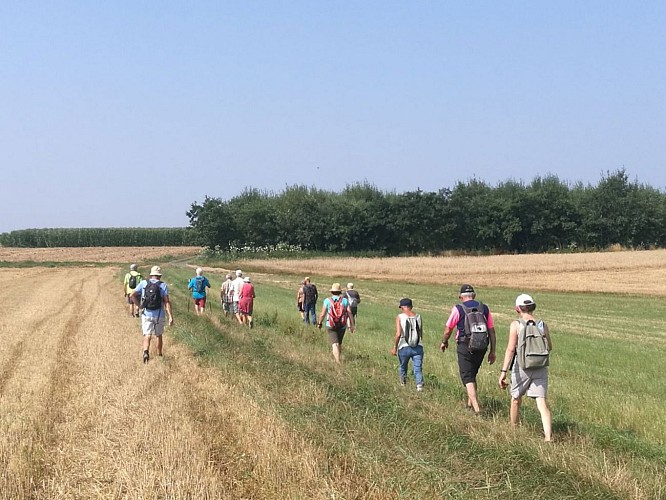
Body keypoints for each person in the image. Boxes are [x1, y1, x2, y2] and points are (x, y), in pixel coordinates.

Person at [498, 294, 553, 442]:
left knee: (516, 398)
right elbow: (550, 346)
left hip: (522, 365)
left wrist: (503, 372)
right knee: (542, 402)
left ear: (518, 309)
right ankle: (548, 437)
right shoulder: (542, 324)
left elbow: (510, 349)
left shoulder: (516, 325)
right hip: (540, 366)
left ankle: (513, 430)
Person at [440, 284, 496, 414]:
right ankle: (469, 405)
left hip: (465, 345)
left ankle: (477, 409)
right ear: (474, 295)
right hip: (482, 346)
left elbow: (448, 329)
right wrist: (492, 351)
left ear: (461, 297)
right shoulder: (484, 308)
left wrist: (444, 341)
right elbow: (492, 331)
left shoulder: (458, 309)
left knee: (467, 377)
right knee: (472, 374)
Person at [132, 265, 174, 364]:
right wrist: (170, 316)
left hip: (146, 313)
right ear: (159, 276)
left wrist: (139, 305)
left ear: (151, 275)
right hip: (159, 314)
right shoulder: (162, 285)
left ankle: (146, 352)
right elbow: (166, 302)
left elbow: (132, 295)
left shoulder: (143, 283)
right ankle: (159, 354)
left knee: (147, 334)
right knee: (159, 335)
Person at [391, 298, 424, 392]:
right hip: (418, 346)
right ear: (411, 307)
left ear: (402, 307)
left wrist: (395, 347)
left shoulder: (400, 317)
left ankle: (402, 384)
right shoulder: (418, 316)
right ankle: (419, 386)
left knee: (403, 366)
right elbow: (420, 332)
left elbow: (398, 334)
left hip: (404, 346)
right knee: (418, 368)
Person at [317, 283, 355, 363]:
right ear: (340, 292)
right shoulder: (345, 301)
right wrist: (352, 325)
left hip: (330, 325)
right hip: (342, 325)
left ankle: (337, 361)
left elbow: (322, 314)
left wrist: (319, 323)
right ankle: (338, 357)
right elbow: (350, 313)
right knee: (339, 343)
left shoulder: (327, 301)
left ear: (332, 292)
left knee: (335, 344)